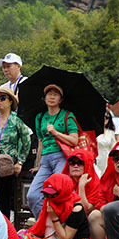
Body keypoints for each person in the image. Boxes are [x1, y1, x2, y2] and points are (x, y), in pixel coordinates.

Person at [27, 84, 79, 219]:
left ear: (61, 100)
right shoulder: (39, 117)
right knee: (32, 195)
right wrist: (38, 164)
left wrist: (56, 133)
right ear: (44, 98)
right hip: (45, 160)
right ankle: (44, 224)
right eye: (49, 94)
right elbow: (40, 142)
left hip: (61, 158)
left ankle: (61, 226)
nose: (51, 96)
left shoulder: (67, 115)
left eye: (56, 94)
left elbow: (74, 140)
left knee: (58, 193)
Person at [0, 84, 30, 220]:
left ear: (10, 101)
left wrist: (20, 161)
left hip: (7, 163)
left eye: (3, 98)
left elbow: (26, 142)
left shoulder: (17, 119)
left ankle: (5, 227)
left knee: (4, 198)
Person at [64, 149, 108, 239]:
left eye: (80, 163)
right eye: (72, 163)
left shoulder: (94, 182)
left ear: (86, 165)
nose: (75, 166)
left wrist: (81, 186)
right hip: (67, 226)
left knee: (94, 215)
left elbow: (85, 209)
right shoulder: (64, 181)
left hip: (87, 227)